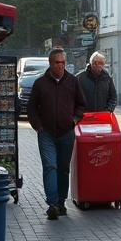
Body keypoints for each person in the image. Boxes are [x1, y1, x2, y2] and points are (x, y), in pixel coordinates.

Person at [27, 47, 86, 220]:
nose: (60, 66)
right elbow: (31, 107)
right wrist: (37, 125)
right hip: (46, 133)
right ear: (50, 63)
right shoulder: (40, 83)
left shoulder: (73, 81)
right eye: (56, 62)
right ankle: (52, 203)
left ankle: (61, 202)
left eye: (62, 62)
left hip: (67, 132)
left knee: (63, 169)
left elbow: (81, 104)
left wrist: (75, 119)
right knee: (50, 166)